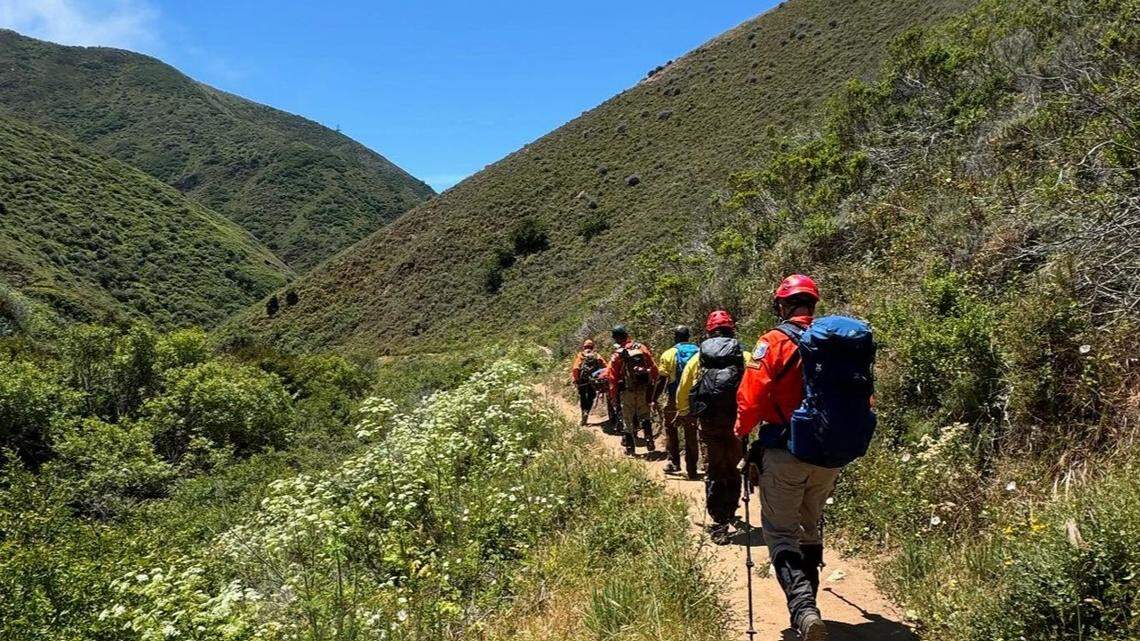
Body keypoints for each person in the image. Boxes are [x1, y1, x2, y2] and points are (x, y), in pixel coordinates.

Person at [735, 274, 834, 641]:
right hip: (828, 455)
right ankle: (811, 607)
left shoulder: (774, 341)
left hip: (785, 449)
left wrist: (741, 431)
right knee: (810, 527)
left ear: (782, 306)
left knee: (779, 533)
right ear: (813, 304)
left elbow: (751, 398)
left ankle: (804, 610)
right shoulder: (833, 342)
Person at [676, 310, 751, 544]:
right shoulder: (744, 356)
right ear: (732, 330)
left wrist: (684, 412)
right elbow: (756, 387)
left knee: (715, 467)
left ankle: (719, 522)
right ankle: (731, 507)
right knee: (734, 465)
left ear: (709, 331)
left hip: (709, 421)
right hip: (737, 421)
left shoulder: (699, 357)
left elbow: (684, 388)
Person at [653, 325, 700, 478]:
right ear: (689, 337)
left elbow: (662, 379)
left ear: (675, 337)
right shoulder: (700, 352)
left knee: (670, 427)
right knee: (691, 431)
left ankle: (674, 461)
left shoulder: (669, 354)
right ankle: (693, 467)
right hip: (694, 399)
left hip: (674, 398)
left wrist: (653, 398)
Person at [608, 325, 659, 456]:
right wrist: (652, 387)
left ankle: (631, 448)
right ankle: (649, 439)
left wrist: (613, 396)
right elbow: (653, 367)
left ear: (617, 338)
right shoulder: (641, 348)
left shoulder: (618, 353)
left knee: (627, 418)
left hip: (627, 390)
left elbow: (612, 377)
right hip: (642, 388)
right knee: (645, 415)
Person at [571, 340, 607, 425]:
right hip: (594, 381)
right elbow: (605, 366)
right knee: (591, 397)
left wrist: (576, 379)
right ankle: (587, 411)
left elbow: (575, 369)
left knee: (583, 397)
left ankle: (584, 414)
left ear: (584, 347)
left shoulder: (581, 356)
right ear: (592, 347)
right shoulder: (597, 355)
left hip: (582, 381)